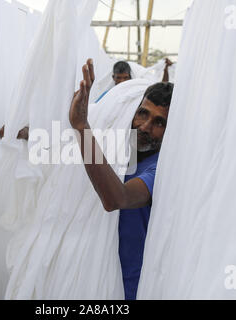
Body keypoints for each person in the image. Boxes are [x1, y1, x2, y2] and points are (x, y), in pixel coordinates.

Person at [69, 59, 174, 300]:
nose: (145, 127)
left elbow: (117, 198)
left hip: (131, 286)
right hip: (93, 277)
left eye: (159, 122)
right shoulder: (119, 152)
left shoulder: (161, 168)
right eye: (143, 114)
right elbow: (61, 147)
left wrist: (81, 126)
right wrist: (23, 134)